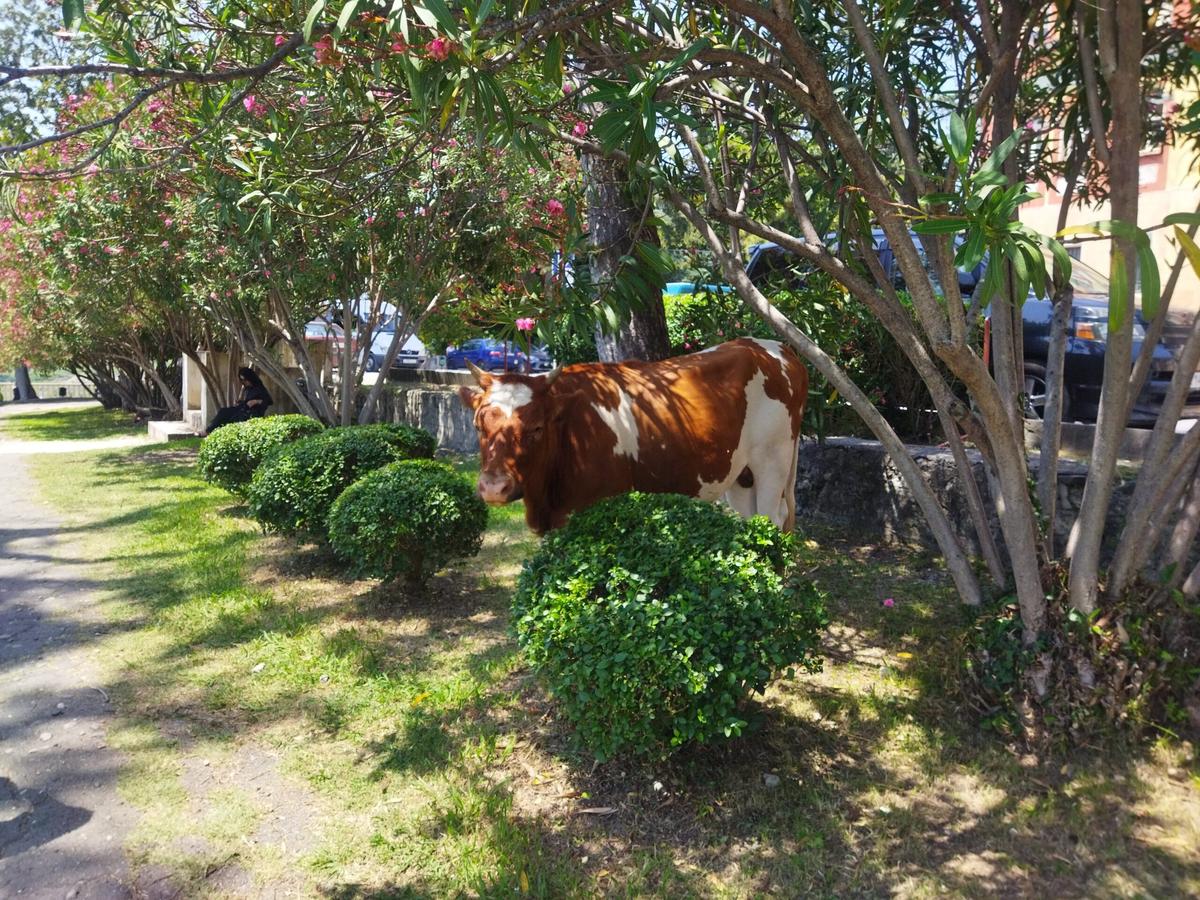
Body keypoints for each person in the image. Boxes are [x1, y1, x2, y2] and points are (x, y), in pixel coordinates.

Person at [203, 367, 272, 436]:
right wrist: (241, 402)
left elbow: (269, 401)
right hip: (243, 409)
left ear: (250, 378)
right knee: (223, 412)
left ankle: (210, 432)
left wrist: (256, 401)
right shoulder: (248, 389)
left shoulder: (259, 388)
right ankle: (209, 431)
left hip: (252, 413)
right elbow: (247, 402)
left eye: (245, 379)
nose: (244, 382)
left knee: (231, 418)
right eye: (242, 380)